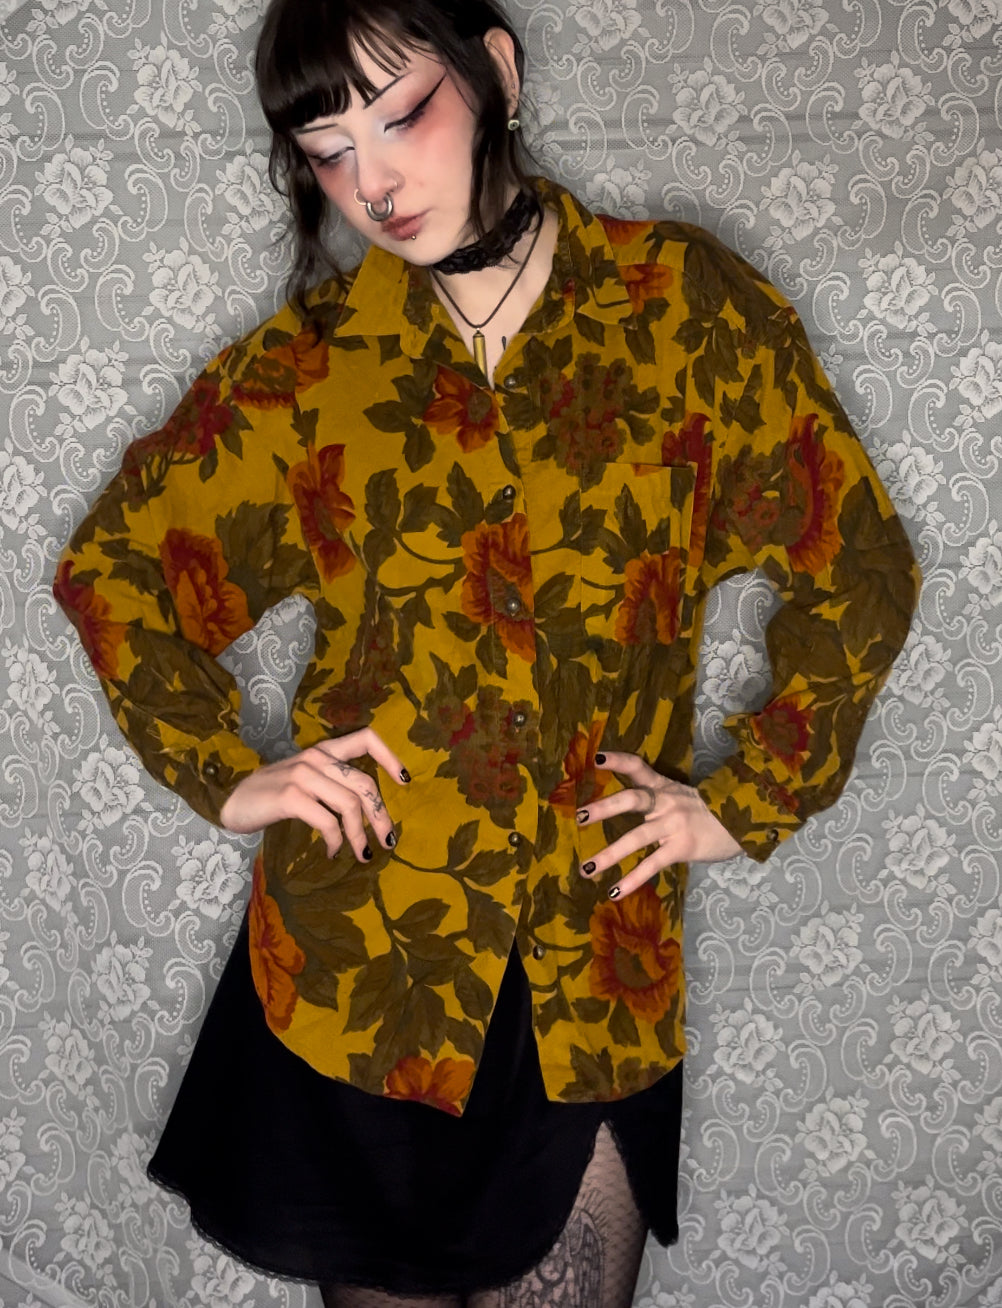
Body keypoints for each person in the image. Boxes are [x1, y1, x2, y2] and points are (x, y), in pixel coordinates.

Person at [52, 0, 921, 1303]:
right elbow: (114, 568)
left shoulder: (679, 308)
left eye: (400, 114)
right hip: (362, 974)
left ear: (495, 72)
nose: (372, 181)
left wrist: (746, 799)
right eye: (327, 149)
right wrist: (229, 774)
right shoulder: (311, 372)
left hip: (594, 968)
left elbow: (858, 563)